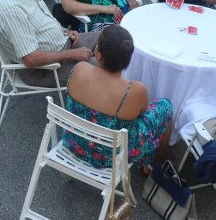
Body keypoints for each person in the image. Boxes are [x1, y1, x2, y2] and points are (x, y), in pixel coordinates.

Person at [62, 25, 173, 169]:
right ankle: (153, 166)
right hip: (110, 157)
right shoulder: (134, 90)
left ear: (99, 55)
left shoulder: (80, 69)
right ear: (127, 61)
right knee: (165, 106)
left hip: (74, 142)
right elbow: (143, 113)